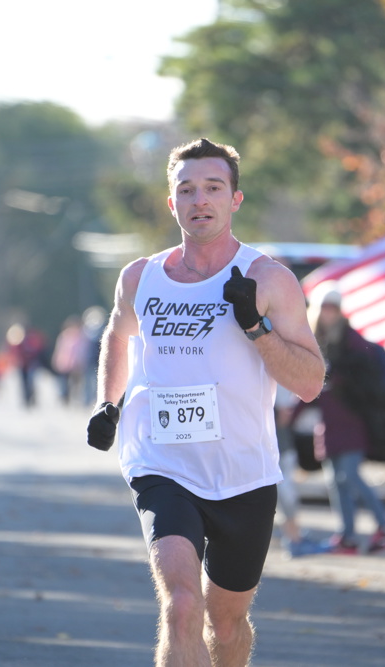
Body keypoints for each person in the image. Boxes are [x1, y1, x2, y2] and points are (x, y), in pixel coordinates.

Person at [85, 137, 325, 666]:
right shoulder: (140, 277)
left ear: (234, 199)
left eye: (213, 188)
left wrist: (256, 328)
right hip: (163, 465)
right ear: (171, 202)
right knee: (182, 606)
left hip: (244, 474)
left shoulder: (268, 279)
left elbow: (310, 381)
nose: (200, 200)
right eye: (187, 189)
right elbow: (118, 335)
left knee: (227, 623)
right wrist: (108, 403)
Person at [306, 282, 385, 555]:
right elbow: (310, 385)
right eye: (325, 307)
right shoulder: (314, 340)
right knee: (336, 482)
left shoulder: (352, 342)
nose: (329, 313)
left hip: (353, 422)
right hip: (329, 426)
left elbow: (356, 380)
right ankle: (347, 536)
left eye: (334, 307)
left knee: (350, 475)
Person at [274, 383, 330, 558]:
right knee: (285, 493)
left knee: (283, 494)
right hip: (278, 448)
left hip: (275, 447)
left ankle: (294, 537)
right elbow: (284, 415)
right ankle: (294, 540)